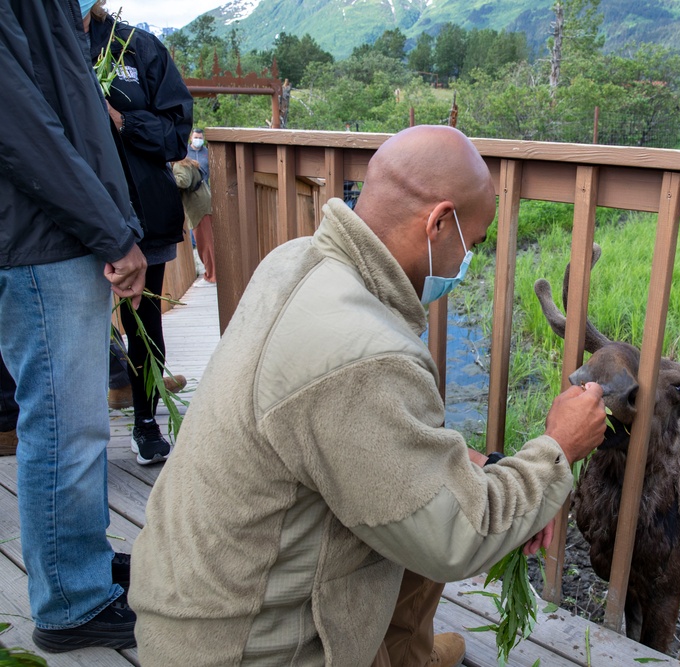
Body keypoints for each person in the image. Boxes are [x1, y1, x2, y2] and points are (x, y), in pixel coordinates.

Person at [129, 124, 608, 667]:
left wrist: (488, 466)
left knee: (435, 481)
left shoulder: (295, 262)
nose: (464, 265)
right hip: (242, 649)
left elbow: (375, 442)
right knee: (434, 520)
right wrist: (556, 449)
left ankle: (405, 652)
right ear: (439, 222)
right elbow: (455, 536)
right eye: (471, 245)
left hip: (187, 608)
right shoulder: (365, 355)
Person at [0, 0, 148, 652]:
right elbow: (20, 125)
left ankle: (80, 559)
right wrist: (110, 228)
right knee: (62, 422)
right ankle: (70, 599)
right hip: (41, 238)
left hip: (59, 233)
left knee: (79, 419)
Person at [84, 2, 193, 465]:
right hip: (76, 214)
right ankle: (79, 432)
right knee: (77, 323)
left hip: (144, 212)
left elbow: (176, 135)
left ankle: (146, 423)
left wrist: (124, 121)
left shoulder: (139, 47)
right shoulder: (45, 44)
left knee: (143, 321)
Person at [172, 156, 216, 283]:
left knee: (205, 244)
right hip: (203, 203)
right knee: (208, 242)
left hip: (198, 207)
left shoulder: (179, 165)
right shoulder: (187, 162)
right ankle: (212, 274)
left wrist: (166, 179)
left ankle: (212, 276)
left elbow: (183, 181)